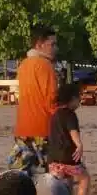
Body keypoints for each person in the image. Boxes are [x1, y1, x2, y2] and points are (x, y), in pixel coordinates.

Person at [11, 25, 59, 174]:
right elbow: (51, 99)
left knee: (23, 177)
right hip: (42, 129)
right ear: (39, 45)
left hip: (23, 129)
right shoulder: (45, 65)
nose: (55, 48)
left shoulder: (23, 65)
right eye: (52, 44)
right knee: (48, 178)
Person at [46, 83, 91, 195]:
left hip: (53, 159)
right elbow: (73, 131)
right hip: (68, 157)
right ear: (72, 99)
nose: (80, 101)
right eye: (78, 98)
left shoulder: (55, 115)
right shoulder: (70, 114)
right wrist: (79, 145)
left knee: (66, 183)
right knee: (84, 179)